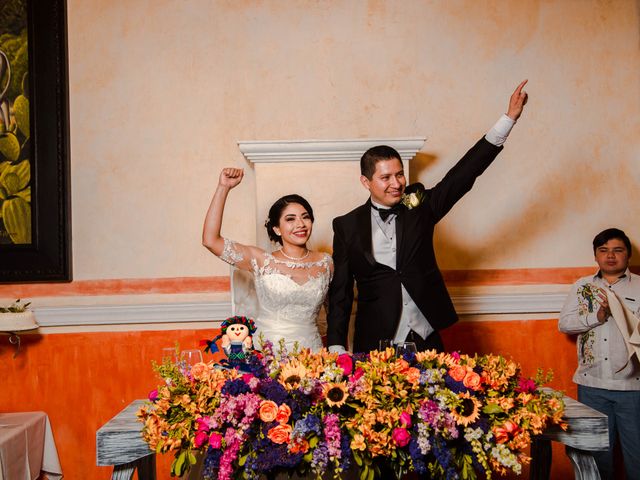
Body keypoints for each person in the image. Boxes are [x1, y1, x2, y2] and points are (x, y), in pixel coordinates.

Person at [327, 80, 529, 354]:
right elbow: (340, 293)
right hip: (375, 342)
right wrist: (337, 345)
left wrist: (507, 121)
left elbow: (461, 177)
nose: (396, 183)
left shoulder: (417, 205)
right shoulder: (346, 225)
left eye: (399, 174)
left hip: (426, 336)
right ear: (366, 182)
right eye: (385, 177)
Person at [203, 168, 333, 351]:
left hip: (312, 352)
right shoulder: (261, 260)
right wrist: (223, 187)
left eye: (305, 217)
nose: (300, 224)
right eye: (290, 219)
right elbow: (210, 240)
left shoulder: (326, 263)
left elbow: (335, 315)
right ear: (276, 229)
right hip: (267, 352)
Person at [559, 228, 640, 479]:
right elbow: (565, 324)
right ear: (596, 256)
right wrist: (598, 316)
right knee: (597, 459)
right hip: (591, 386)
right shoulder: (582, 286)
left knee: (636, 457)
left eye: (618, 250)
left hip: (632, 387)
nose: (610, 256)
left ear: (628, 255)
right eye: (603, 250)